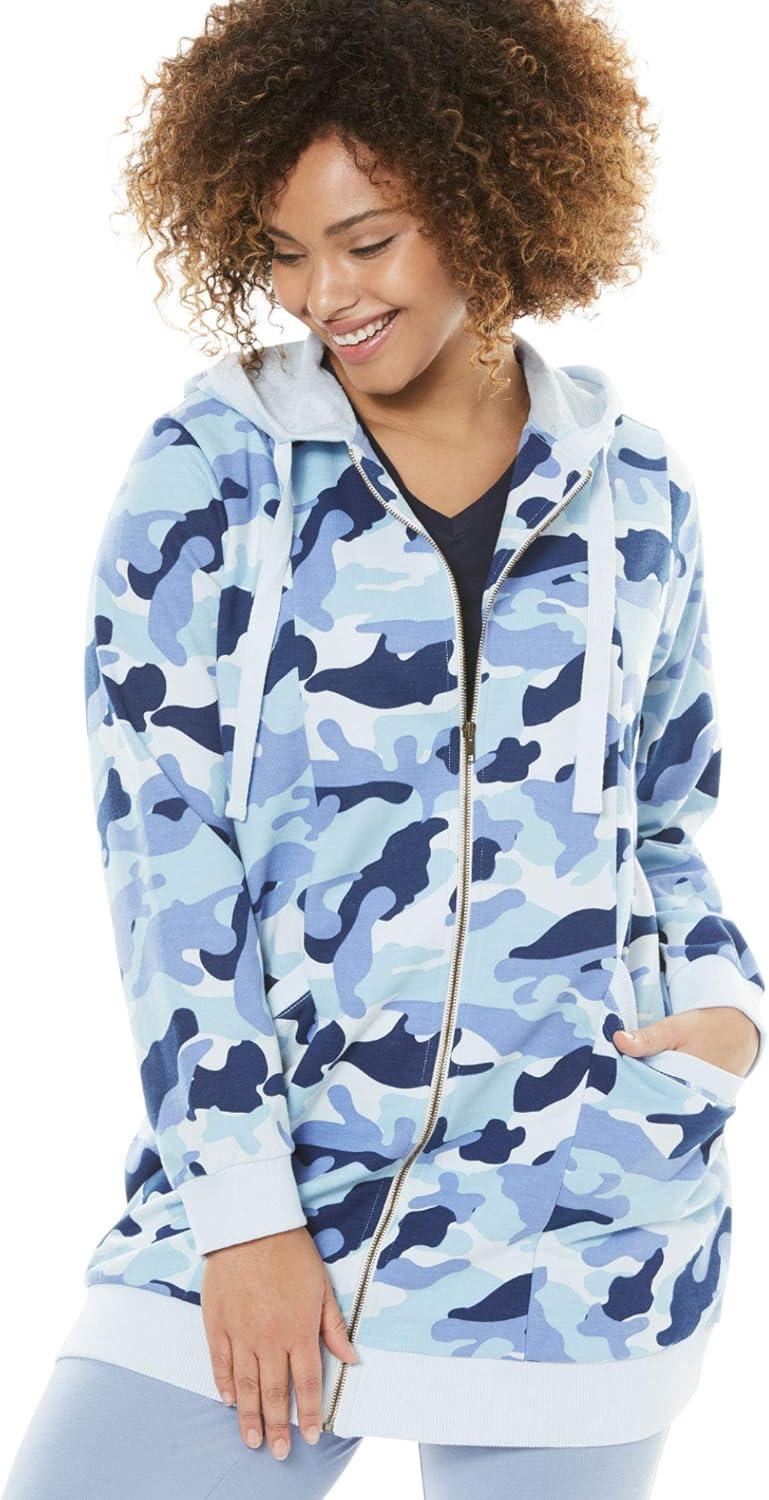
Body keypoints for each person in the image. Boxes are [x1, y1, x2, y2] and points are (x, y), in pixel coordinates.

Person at [3, 2, 764, 1497]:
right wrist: (240, 1211)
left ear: (490, 202)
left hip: (579, 1221)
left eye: (369, 240)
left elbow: (668, 812)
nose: (325, 296)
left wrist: (723, 1009)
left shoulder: (634, 485)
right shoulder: (214, 471)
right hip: (280, 1183)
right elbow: (163, 844)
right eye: (285, 252)